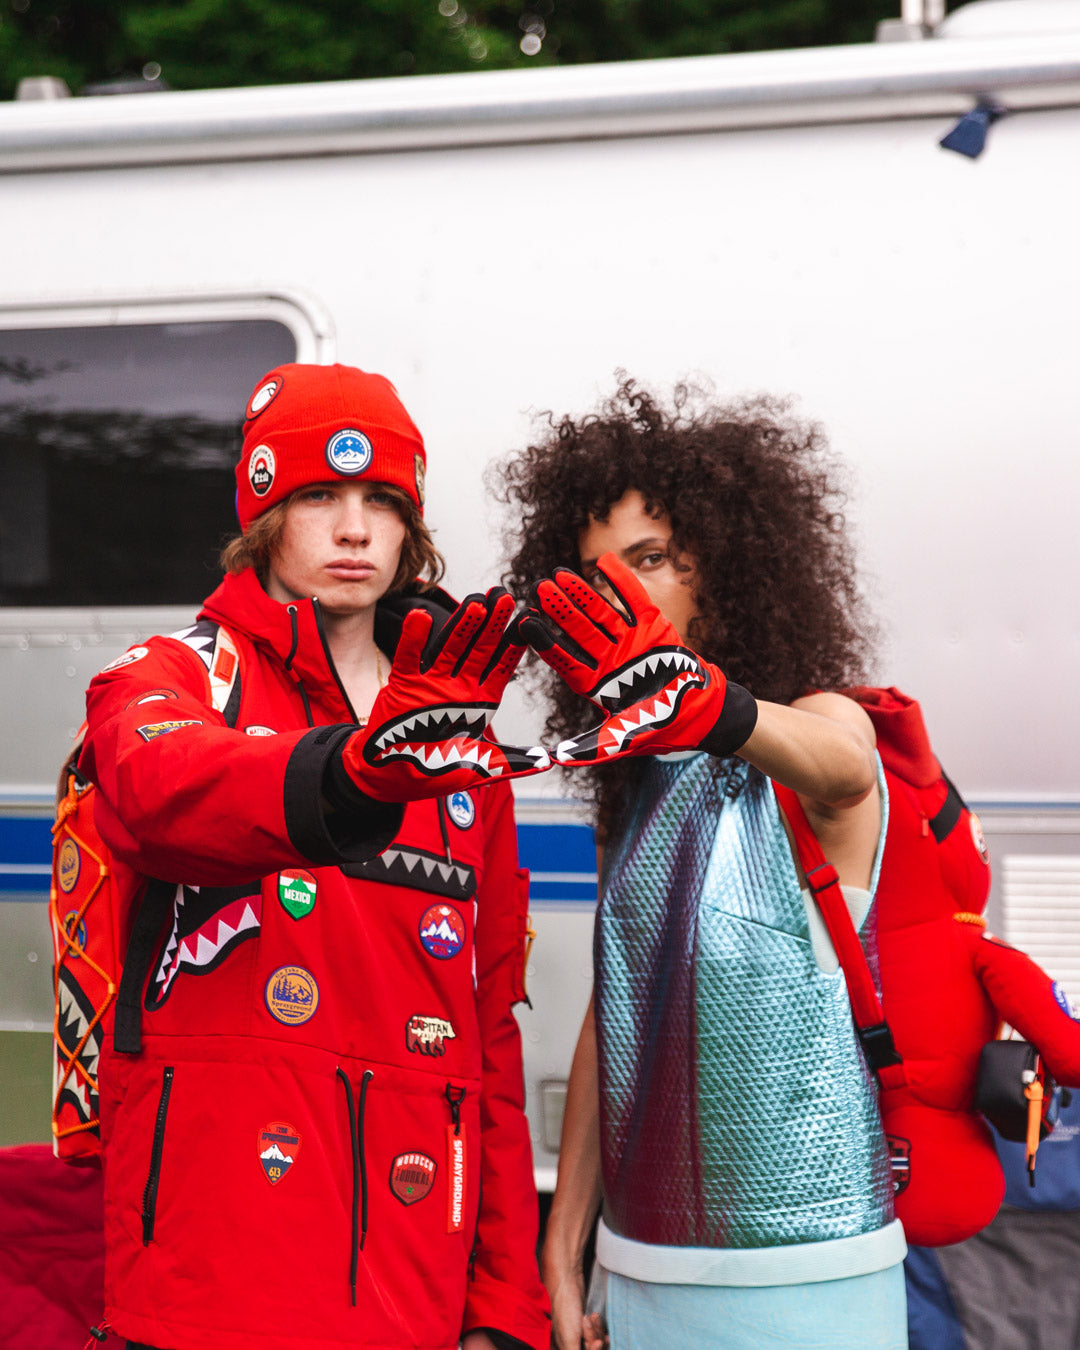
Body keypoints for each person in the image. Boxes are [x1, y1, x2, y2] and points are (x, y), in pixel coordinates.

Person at [78, 363, 551, 1350]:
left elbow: (489, 1040)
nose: (354, 529)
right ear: (263, 516)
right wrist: (353, 774)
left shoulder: (460, 744)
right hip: (211, 1290)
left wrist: (505, 1306)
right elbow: (156, 784)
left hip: (413, 1288)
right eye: (319, 497)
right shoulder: (175, 673)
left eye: (382, 500)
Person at [496, 379, 907, 1349]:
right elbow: (613, 1015)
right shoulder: (634, 781)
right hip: (642, 1270)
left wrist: (710, 704)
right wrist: (566, 1249)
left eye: (652, 559)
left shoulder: (818, 720)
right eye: (597, 577)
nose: (626, 596)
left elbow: (847, 767)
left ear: (726, 566)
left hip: (810, 1276)